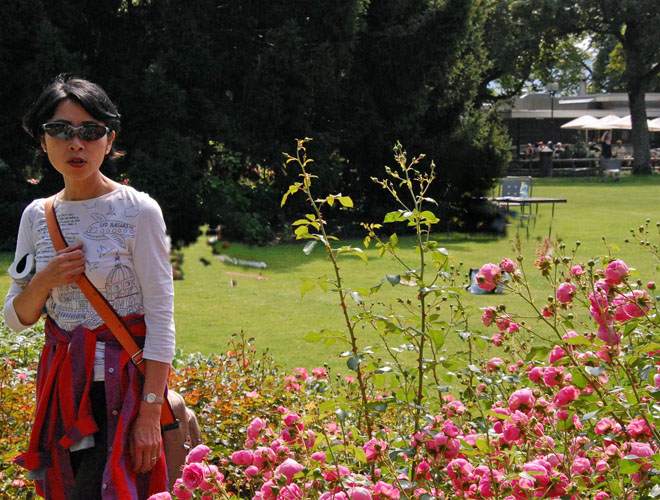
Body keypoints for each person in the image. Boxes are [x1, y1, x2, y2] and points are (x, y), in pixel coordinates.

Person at [4, 76, 175, 499]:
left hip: (123, 389)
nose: (75, 143)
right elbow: (17, 318)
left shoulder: (139, 211)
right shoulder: (36, 215)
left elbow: (160, 318)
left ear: (109, 138)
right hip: (63, 387)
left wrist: (150, 414)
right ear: (43, 140)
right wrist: (47, 278)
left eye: (90, 131)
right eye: (60, 130)